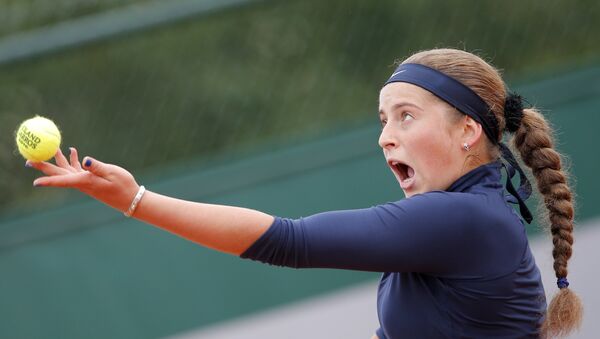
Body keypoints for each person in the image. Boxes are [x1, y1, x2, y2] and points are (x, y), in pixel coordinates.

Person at [28, 48, 582, 338]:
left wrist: (136, 199)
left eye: (406, 116)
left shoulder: (464, 221)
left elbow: (286, 241)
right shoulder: (458, 225)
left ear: (468, 132)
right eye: (383, 118)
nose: (386, 134)